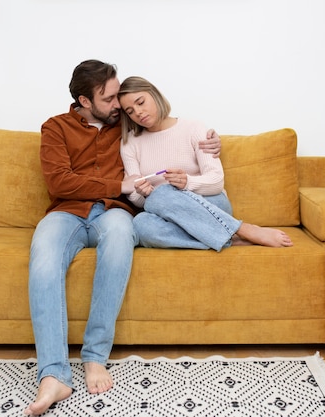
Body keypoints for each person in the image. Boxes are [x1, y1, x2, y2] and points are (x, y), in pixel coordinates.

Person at [25, 60, 222, 416]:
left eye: (121, 96)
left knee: (119, 240)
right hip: (67, 211)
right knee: (42, 260)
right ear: (85, 101)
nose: (119, 104)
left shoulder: (128, 127)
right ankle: (53, 374)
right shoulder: (55, 128)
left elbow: (167, 133)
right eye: (110, 97)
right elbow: (59, 182)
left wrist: (210, 142)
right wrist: (119, 184)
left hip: (115, 211)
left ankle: (95, 357)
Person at [118, 76, 293, 251]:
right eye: (130, 111)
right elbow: (136, 198)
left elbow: (216, 181)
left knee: (161, 193)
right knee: (141, 223)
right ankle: (230, 235)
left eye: (140, 102)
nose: (138, 112)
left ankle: (244, 229)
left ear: (154, 95)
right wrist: (144, 194)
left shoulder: (193, 128)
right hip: (167, 214)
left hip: (210, 203)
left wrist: (187, 182)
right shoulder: (130, 143)